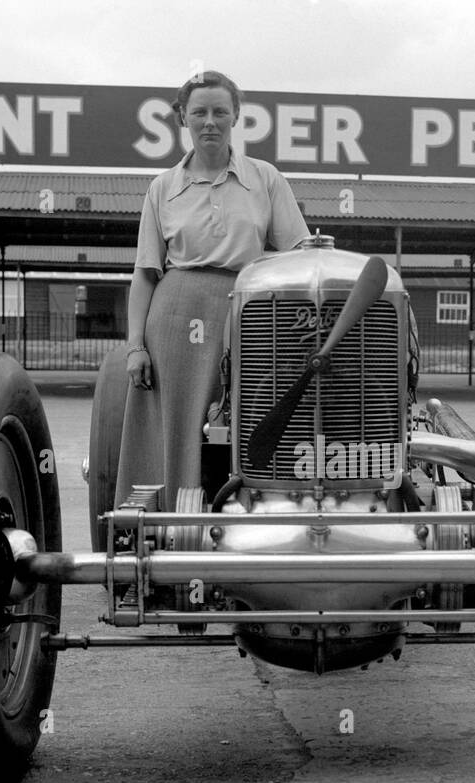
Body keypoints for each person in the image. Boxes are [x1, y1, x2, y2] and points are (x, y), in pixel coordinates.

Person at [117, 70, 310, 511]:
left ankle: (256, 512)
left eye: (220, 111)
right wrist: (135, 347)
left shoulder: (264, 178)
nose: (210, 121)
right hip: (177, 315)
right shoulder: (162, 188)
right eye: (199, 111)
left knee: (254, 413)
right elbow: (146, 273)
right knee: (181, 424)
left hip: (251, 309)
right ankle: (172, 524)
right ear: (183, 116)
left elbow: (299, 251)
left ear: (236, 116)